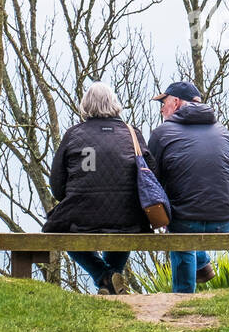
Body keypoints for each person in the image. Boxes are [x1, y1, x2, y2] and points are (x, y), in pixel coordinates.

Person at [44, 82, 154, 295]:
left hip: (81, 214)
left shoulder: (73, 135)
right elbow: (152, 175)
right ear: (114, 104)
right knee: (123, 228)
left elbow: (57, 186)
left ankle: (104, 277)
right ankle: (112, 279)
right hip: (128, 216)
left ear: (85, 105)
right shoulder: (133, 134)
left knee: (61, 229)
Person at [147, 80, 229, 293]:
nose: (161, 108)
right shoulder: (224, 132)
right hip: (225, 220)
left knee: (180, 225)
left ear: (177, 102)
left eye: (164, 102)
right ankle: (202, 264)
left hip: (185, 222)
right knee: (186, 219)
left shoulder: (162, 134)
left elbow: (151, 182)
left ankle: (183, 297)